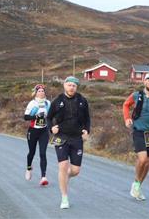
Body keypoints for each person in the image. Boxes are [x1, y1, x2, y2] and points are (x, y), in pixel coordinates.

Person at [46, 76, 90, 209]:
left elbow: (87, 119)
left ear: (77, 87)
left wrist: (87, 131)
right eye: (69, 85)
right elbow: (49, 118)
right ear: (65, 86)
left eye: (74, 86)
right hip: (61, 137)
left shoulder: (82, 100)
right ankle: (64, 198)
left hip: (77, 138)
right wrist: (51, 128)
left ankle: (65, 178)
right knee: (63, 166)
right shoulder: (57, 101)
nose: (72, 87)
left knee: (75, 171)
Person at [122, 73, 149, 201]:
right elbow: (125, 105)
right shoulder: (137, 95)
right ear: (144, 82)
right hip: (139, 130)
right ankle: (136, 182)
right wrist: (127, 119)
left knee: (148, 162)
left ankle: (137, 186)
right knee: (142, 159)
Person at [23, 84, 50, 186]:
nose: (41, 92)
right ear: (36, 93)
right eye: (39, 91)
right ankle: (29, 168)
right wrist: (36, 116)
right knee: (32, 152)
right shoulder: (32, 103)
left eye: (43, 91)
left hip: (43, 131)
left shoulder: (48, 103)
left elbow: (51, 116)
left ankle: (43, 177)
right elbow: (25, 117)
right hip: (33, 131)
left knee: (43, 153)